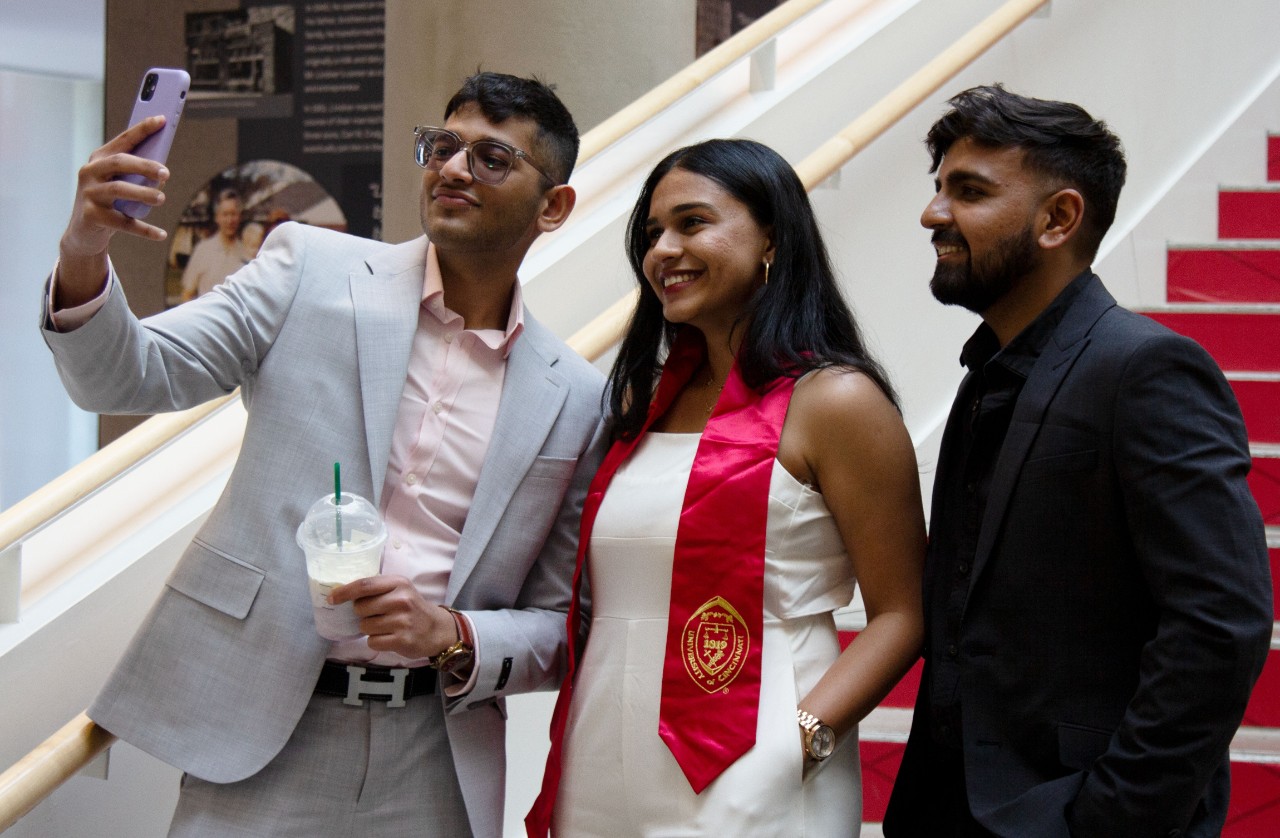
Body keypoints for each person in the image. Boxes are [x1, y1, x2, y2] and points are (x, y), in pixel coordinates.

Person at [41, 72, 605, 838]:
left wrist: (455, 634)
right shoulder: (308, 268)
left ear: (554, 206)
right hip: (258, 727)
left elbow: (556, 622)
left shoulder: (574, 396)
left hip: (434, 759)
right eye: (442, 147)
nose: (452, 169)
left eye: (492, 158)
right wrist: (84, 245)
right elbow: (126, 373)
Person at [882, 84, 1273, 837]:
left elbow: (1220, 625)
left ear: (1059, 218)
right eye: (939, 189)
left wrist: (1106, 818)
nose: (934, 214)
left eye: (968, 192)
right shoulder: (985, 374)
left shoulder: (1150, 369)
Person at [526, 138, 926, 836]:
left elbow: (903, 612)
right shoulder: (643, 407)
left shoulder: (836, 401)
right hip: (601, 757)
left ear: (771, 235)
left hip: (759, 751)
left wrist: (801, 738)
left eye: (692, 222)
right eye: (653, 233)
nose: (662, 250)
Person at [179, 188, 248, 300]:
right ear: (217, 217)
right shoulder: (203, 250)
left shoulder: (246, 253)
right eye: (225, 214)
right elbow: (187, 294)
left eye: (233, 214)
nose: (230, 220)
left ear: (239, 217)